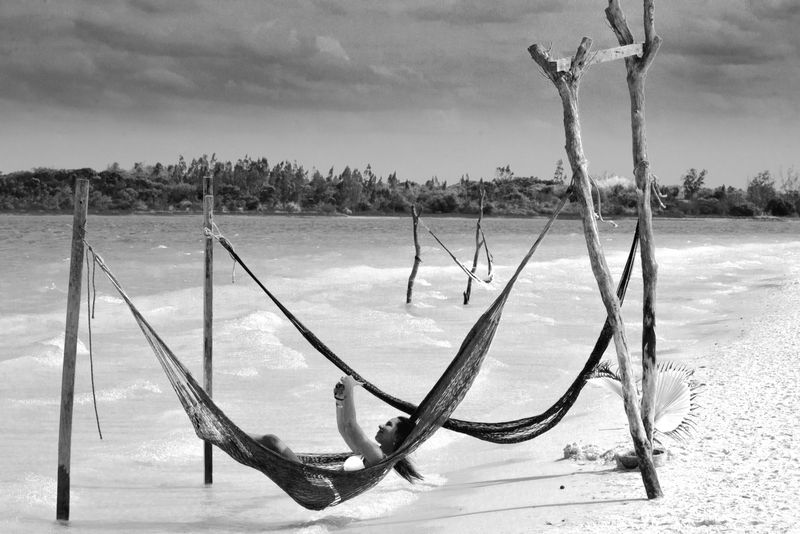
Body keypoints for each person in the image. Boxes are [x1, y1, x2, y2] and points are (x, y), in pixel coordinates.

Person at [249, 375, 423, 483]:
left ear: (396, 438)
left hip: (313, 484)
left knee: (273, 442)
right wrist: (340, 401)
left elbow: (351, 426)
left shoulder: (377, 457)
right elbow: (343, 429)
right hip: (313, 482)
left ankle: (233, 439)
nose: (381, 425)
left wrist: (350, 389)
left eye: (389, 425)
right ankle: (234, 440)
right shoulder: (370, 456)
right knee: (269, 445)